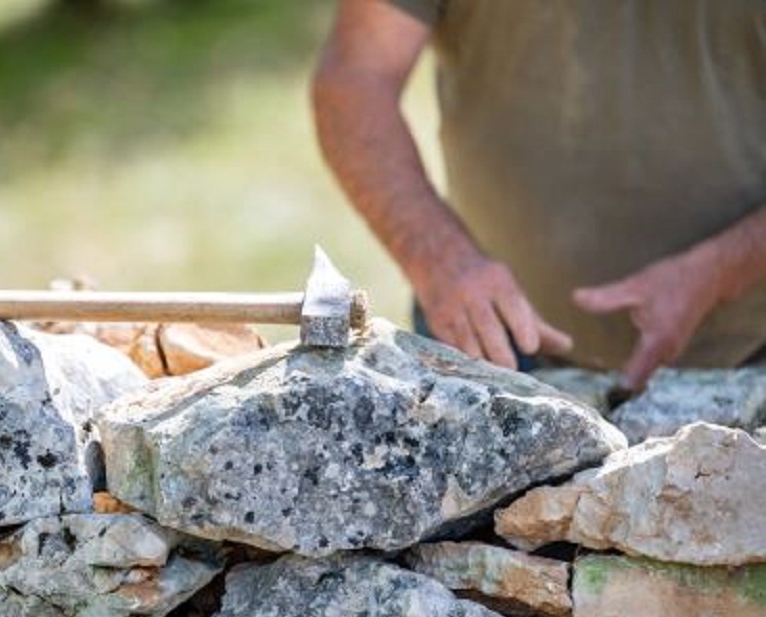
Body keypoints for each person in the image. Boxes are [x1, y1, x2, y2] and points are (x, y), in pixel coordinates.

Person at [312, 0, 766, 389]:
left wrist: (722, 269)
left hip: (751, 354)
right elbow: (355, 79)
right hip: (491, 352)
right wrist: (442, 261)